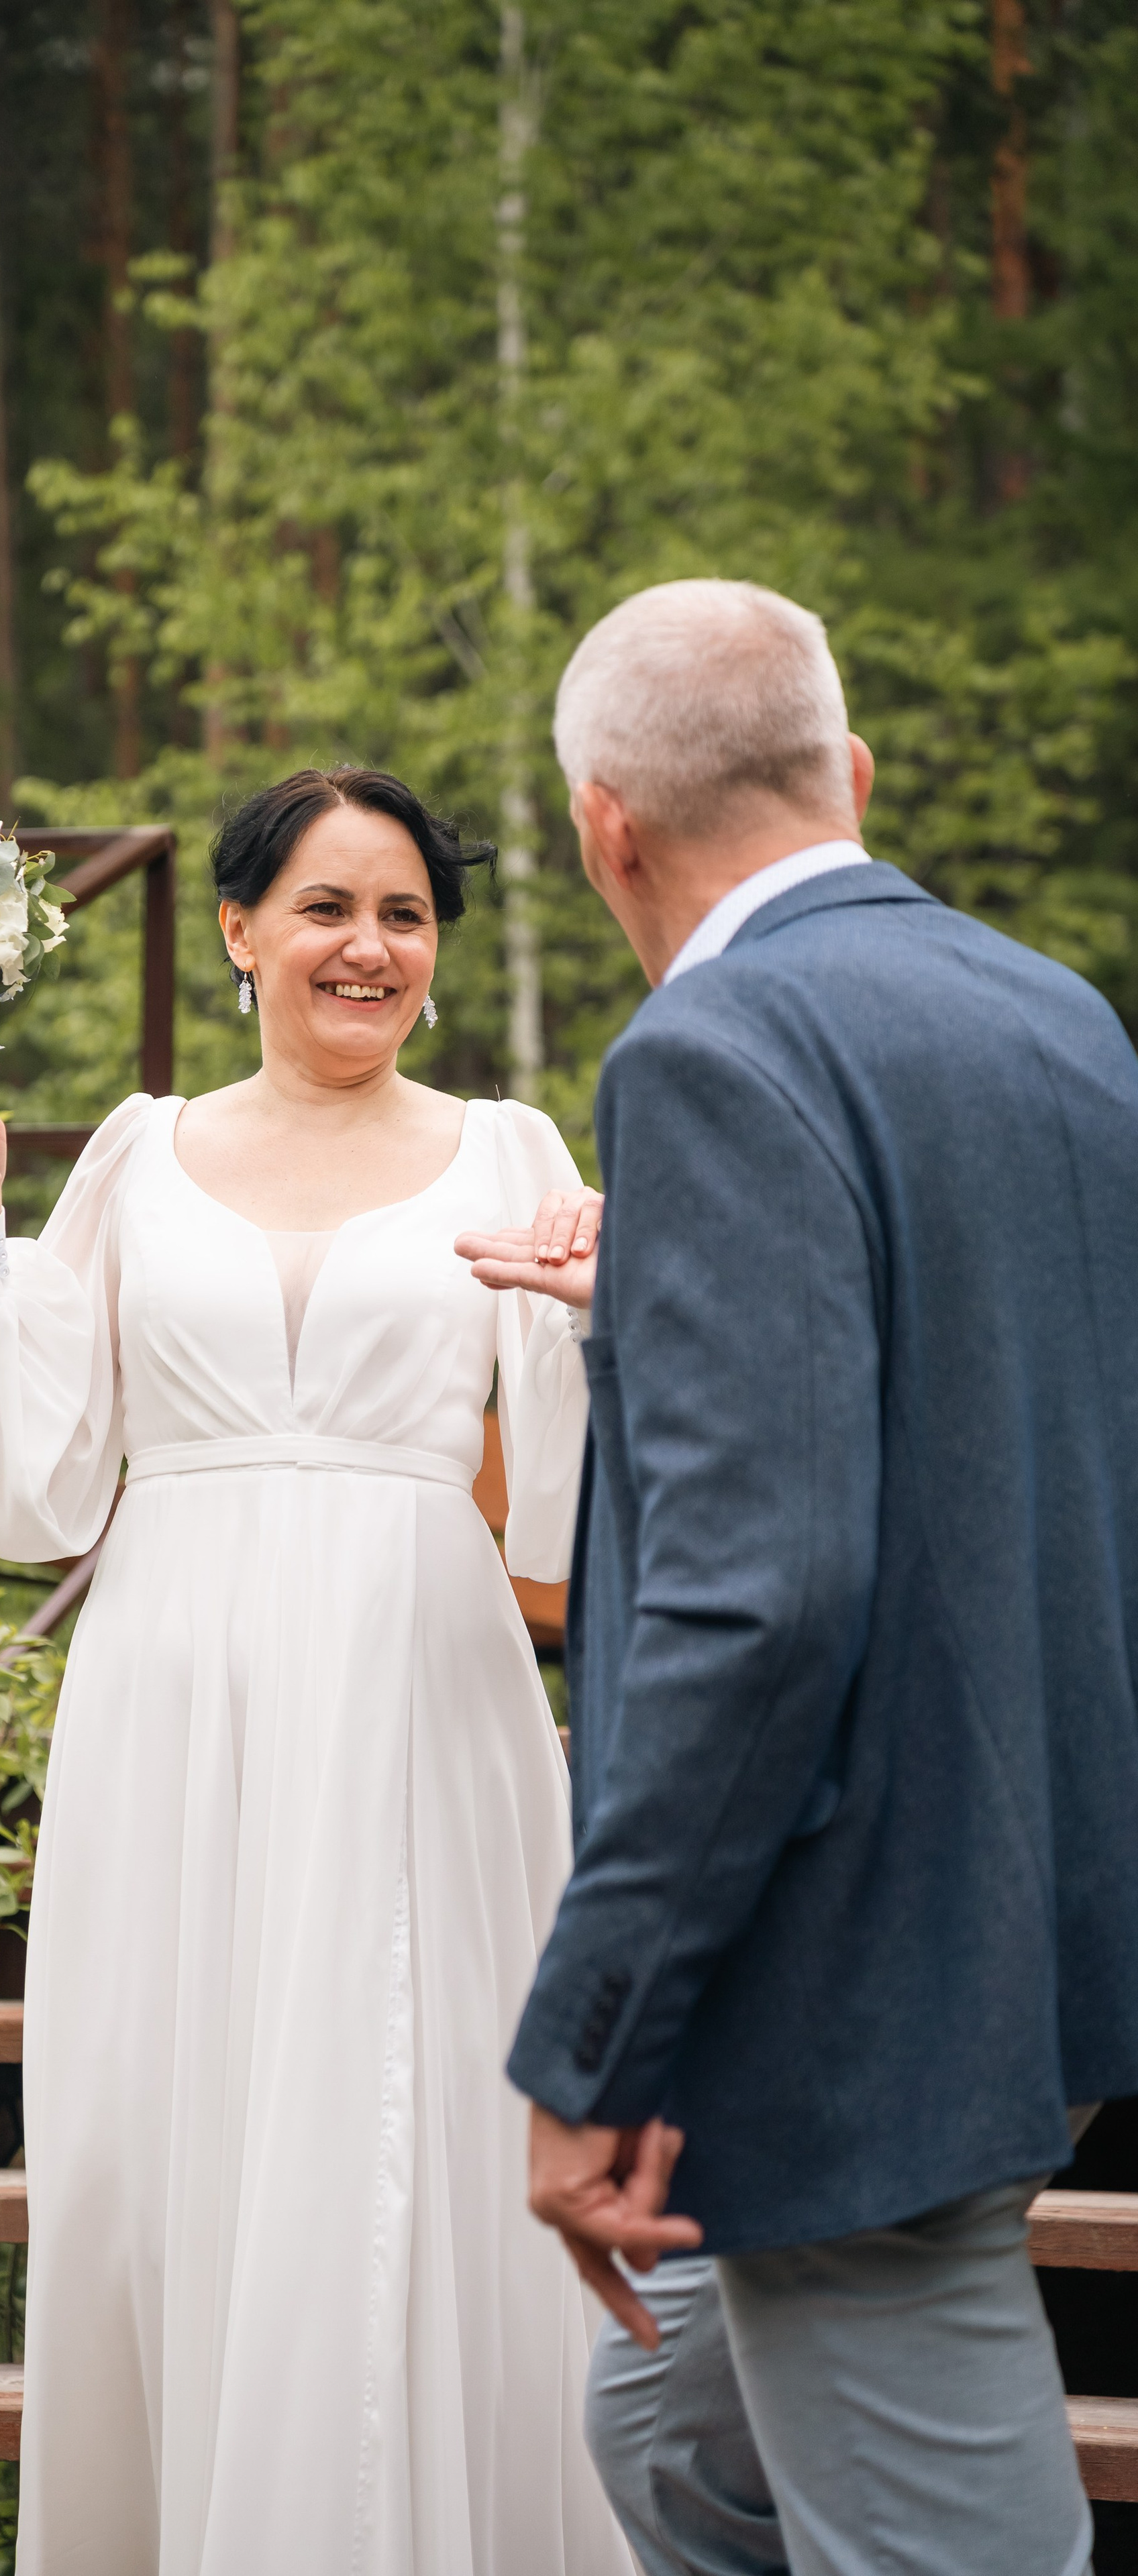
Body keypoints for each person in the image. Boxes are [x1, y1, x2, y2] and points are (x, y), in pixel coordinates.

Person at [460, 576, 1138, 2576]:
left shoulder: (712, 1055)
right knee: (666, 2419)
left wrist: (597, 2037)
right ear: (852, 772)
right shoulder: (1062, 1017)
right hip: (1046, 1910)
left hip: (868, 1968)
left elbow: (760, 1607)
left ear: (607, 827)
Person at [0, 767, 633, 2576]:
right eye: (325, 907)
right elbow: (32, 1474)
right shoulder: (139, 1153)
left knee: (419, 2118)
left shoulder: (513, 1151)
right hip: (176, 1695)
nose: (366, 945)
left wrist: (616, 1326)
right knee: (173, 2145)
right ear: (238, 930)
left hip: (423, 1686)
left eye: (403, 913)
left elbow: (572, 1519)